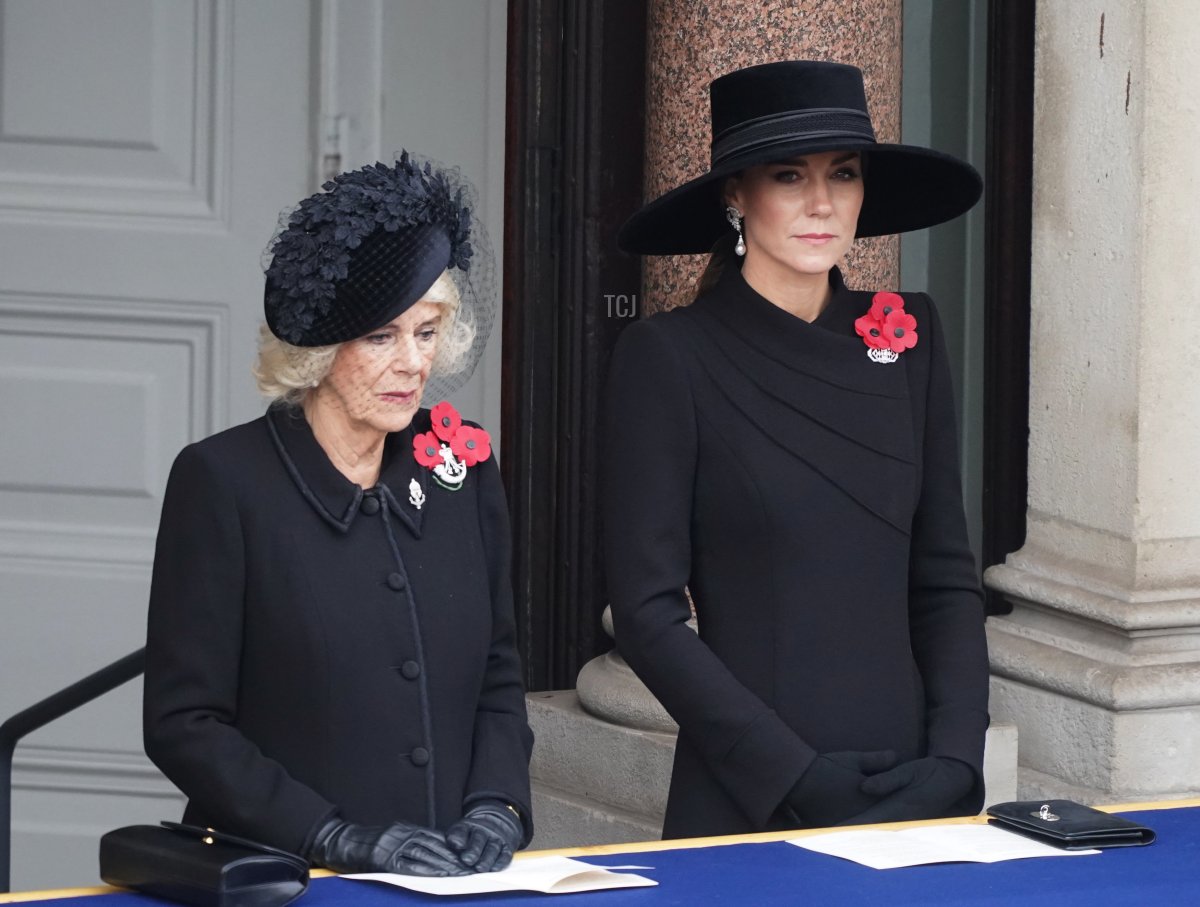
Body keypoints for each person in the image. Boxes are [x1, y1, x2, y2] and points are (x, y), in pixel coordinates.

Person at [604, 60, 990, 839]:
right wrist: (789, 773)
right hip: (752, 793)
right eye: (789, 175)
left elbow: (945, 577)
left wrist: (956, 759)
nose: (822, 203)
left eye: (842, 174)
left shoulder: (909, 336)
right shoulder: (668, 356)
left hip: (911, 786)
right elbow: (647, 615)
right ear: (735, 195)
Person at [143, 155, 533, 875]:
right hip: (288, 879)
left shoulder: (463, 472)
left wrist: (496, 805)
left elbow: (499, 680)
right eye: (382, 337)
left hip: (451, 882)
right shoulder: (224, 482)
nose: (414, 362)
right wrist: (328, 835)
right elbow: (183, 724)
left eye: (427, 331)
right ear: (318, 349)